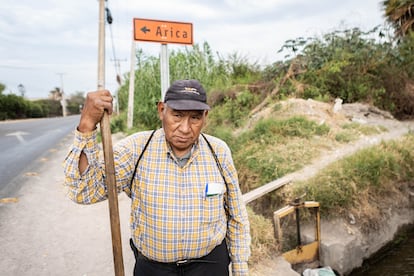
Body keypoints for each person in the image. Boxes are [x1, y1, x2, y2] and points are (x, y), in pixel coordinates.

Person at [63, 79, 251, 276]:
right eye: (177, 115)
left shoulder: (218, 151)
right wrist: (86, 125)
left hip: (210, 266)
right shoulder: (136, 149)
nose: (185, 128)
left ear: (205, 116)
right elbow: (84, 192)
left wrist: (240, 268)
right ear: (162, 110)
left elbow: (236, 215)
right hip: (154, 269)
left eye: (195, 118)